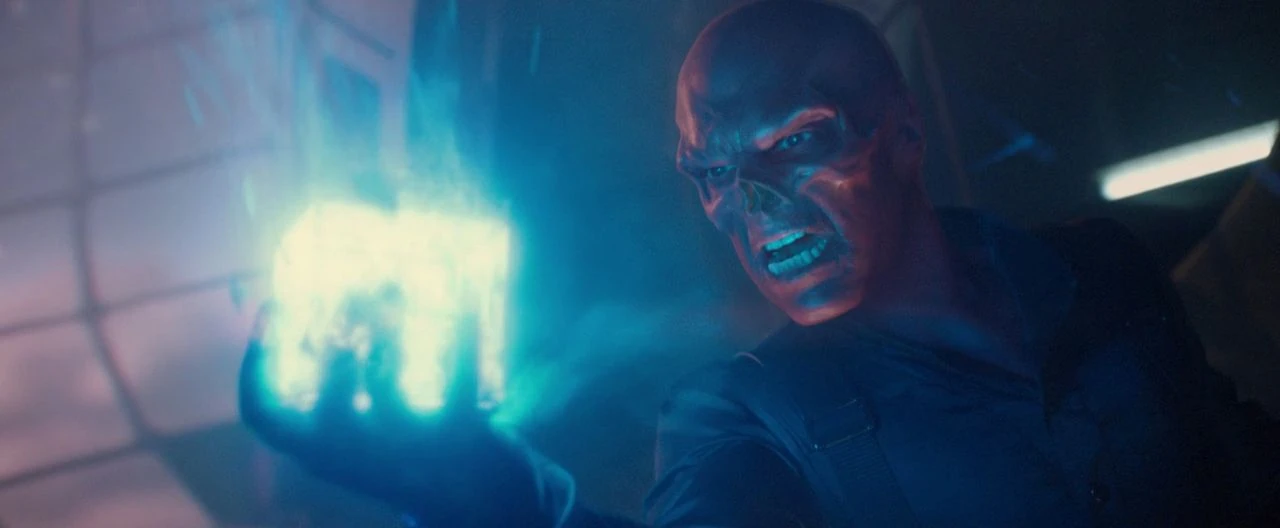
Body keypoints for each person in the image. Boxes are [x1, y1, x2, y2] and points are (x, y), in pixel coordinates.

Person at [239, 1, 1280, 526]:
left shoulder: (1098, 271)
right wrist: (489, 493)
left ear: (902, 132)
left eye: (792, 141)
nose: (751, 203)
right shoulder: (746, 419)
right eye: (712, 173)